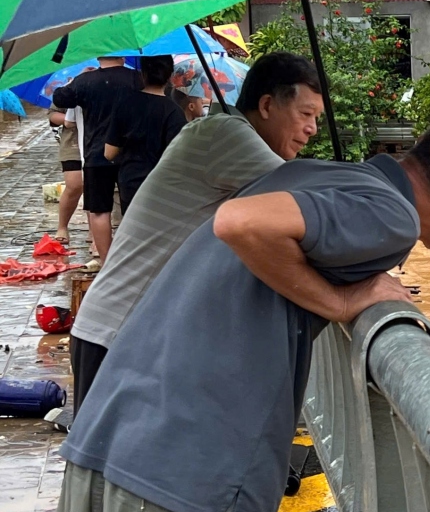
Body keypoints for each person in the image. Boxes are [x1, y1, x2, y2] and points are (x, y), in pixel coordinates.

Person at [47, 105, 430, 512]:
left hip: (107, 439)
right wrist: (340, 303)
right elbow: (237, 221)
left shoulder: (325, 175)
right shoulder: (393, 216)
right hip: (181, 480)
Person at [68, 52, 325, 414]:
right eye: (306, 114)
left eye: (316, 118)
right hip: (117, 337)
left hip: (135, 337)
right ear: (267, 105)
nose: (313, 129)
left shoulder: (224, 136)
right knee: (109, 471)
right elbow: (315, 202)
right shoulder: (226, 135)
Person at [52, 56, 142, 263]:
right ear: (123, 56)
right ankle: (133, 259)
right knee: (134, 208)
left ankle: (105, 261)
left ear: (99, 56)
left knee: (100, 210)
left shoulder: (85, 81)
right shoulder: (137, 78)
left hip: (96, 154)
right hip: (132, 154)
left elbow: (60, 98)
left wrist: (77, 79)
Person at [104, 56, 187, 213]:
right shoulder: (174, 112)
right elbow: (178, 158)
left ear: (143, 74)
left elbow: (109, 153)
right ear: (169, 76)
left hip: (130, 182)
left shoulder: (125, 104)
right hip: (161, 186)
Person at [47, 105, 83, 243]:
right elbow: (52, 114)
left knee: (95, 187)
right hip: (73, 145)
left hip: (98, 141)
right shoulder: (68, 89)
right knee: (75, 185)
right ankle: (62, 227)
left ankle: (96, 233)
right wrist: (67, 120)